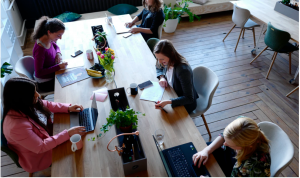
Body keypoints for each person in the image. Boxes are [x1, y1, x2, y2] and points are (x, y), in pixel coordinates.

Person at [2, 77, 86, 173]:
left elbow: (47, 104)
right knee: (79, 159)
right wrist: (68, 133)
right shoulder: (16, 127)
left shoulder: (23, 104)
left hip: (48, 135)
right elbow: (41, 147)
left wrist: (68, 108)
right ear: (22, 98)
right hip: (39, 156)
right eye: (33, 93)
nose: (38, 95)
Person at [192, 117, 271, 177]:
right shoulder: (242, 124)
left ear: (245, 146)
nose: (225, 144)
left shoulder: (253, 166)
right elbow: (224, 135)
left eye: (230, 144)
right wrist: (206, 150)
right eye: (225, 140)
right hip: (229, 159)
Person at [154, 40, 199, 114]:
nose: (159, 61)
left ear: (171, 54)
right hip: (172, 93)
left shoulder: (183, 71)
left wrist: (168, 102)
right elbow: (158, 67)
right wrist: (162, 77)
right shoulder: (166, 60)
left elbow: (189, 98)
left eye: (162, 59)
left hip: (185, 104)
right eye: (157, 58)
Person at [32, 16, 68, 92]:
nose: (60, 38)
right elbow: (39, 73)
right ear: (49, 32)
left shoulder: (48, 38)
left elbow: (55, 45)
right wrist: (58, 67)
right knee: (68, 85)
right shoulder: (40, 50)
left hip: (52, 71)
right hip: (45, 82)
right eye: (58, 35)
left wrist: (58, 53)